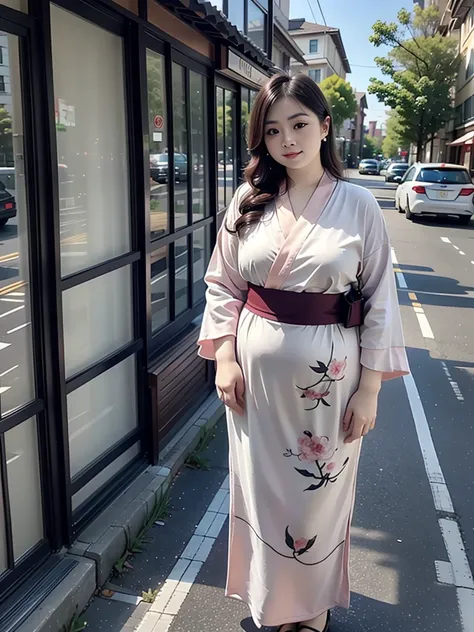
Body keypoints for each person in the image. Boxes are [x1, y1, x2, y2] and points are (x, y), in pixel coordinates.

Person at [197, 73, 409, 632]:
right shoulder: (249, 200)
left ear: (324, 126)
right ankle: (272, 602)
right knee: (264, 492)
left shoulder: (359, 205)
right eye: (272, 130)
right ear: (260, 140)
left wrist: (368, 389)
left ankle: (310, 609)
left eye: (298, 124)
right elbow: (222, 283)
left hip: (329, 384)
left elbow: (380, 297)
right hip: (255, 388)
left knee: (318, 493)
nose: (286, 140)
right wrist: (224, 356)